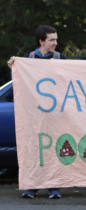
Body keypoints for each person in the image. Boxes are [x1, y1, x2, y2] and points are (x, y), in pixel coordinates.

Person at [9, 25, 63, 199]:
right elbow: (19, 81)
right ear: (41, 41)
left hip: (54, 113)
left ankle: (54, 187)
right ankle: (31, 185)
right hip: (34, 113)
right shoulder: (29, 58)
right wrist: (14, 67)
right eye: (51, 40)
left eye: (56, 39)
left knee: (53, 148)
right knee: (33, 148)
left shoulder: (60, 58)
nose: (55, 43)